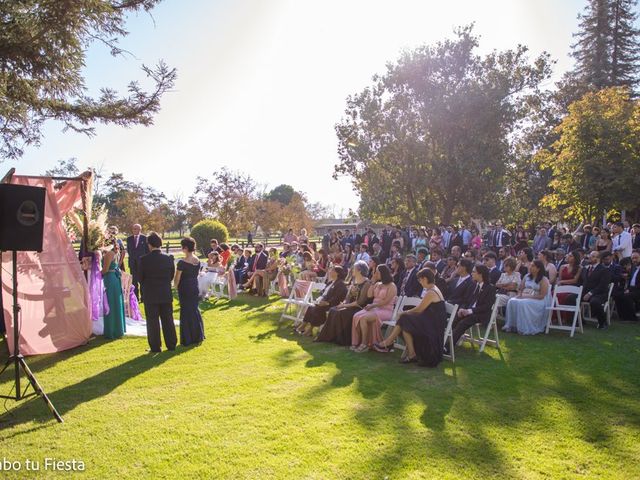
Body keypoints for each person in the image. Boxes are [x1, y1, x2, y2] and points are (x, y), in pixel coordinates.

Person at [373, 269, 448, 366]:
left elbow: (420, 309)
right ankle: (408, 352)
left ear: (425, 279)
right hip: (430, 321)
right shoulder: (433, 288)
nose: (420, 283)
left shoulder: (431, 292)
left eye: (420, 280)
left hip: (433, 325)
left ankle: (389, 342)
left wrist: (405, 312)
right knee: (405, 321)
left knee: (404, 318)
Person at [316, 261, 371, 345]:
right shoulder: (354, 282)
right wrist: (343, 304)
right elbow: (348, 298)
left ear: (359, 271)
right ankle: (331, 337)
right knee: (333, 310)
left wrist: (345, 305)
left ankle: (342, 340)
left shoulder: (366, 283)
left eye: (354, 269)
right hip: (350, 306)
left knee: (342, 313)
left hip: (359, 308)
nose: (352, 270)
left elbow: (360, 302)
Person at [139, 232, 177, 352]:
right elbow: (171, 275)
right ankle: (171, 344)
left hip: (150, 293)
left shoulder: (144, 260)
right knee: (168, 319)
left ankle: (155, 347)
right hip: (165, 292)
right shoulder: (168, 258)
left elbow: (140, 278)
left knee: (152, 321)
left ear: (149, 245)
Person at [448, 264, 497, 350]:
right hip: (470, 311)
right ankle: (443, 342)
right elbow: (466, 300)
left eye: (474, 272)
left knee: (462, 323)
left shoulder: (490, 288)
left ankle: (448, 347)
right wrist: (462, 309)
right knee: (454, 319)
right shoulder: (474, 285)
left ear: (480, 274)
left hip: (481, 314)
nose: (471, 274)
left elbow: (486, 306)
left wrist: (470, 311)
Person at [351, 264, 397, 353]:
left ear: (383, 273)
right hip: (375, 308)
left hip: (385, 310)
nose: (375, 273)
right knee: (356, 315)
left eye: (377, 272)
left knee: (363, 318)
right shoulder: (377, 284)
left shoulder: (392, 286)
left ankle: (364, 344)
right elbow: (369, 295)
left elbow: (386, 301)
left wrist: (372, 306)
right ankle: (357, 342)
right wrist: (373, 282)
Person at [296, 266, 348, 336]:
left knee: (318, 308)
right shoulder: (331, 282)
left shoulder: (341, 284)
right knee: (311, 307)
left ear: (337, 273)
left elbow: (337, 297)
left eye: (332, 270)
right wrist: (319, 299)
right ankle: (303, 325)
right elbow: (323, 293)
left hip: (332, 304)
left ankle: (310, 329)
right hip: (323, 302)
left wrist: (327, 303)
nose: (330, 272)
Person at [503, 260, 551, 335]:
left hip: (538, 300)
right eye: (530, 265)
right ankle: (512, 325)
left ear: (538, 269)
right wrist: (519, 295)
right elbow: (521, 289)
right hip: (525, 296)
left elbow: (542, 295)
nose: (530, 267)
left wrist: (528, 296)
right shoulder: (527, 276)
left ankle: (523, 327)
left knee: (523, 303)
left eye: (532, 266)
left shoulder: (543, 279)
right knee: (512, 301)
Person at [174, 237, 205, 346]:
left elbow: (177, 277)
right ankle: (197, 335)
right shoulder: (197, 260)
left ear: (185, 248)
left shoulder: (182, 262)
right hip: (194, 285)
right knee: (194, 309)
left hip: (185, 287)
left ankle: (188, 337)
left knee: (186, 311)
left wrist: (175, 287)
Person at [578, 250, 612, 329]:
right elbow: (583, 283)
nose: (590, 257)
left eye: (593, 256)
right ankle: (579, 320)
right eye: (590, 255)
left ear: (598, 258)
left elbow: (602, 286)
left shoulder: (604, 270)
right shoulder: (586, 269)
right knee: (571, 298)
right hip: (585, 292)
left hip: (599, 294)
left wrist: (590, 293)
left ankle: (602, 322)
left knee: (595, 302)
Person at [101, 238, 126, 339]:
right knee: (115, 303)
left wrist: (95, 274)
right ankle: (118, 329)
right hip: (115, 279)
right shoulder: (116, 252)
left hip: (109, 279)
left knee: (110, 303)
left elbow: (105, 270)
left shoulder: (109, 254)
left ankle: (111, 330)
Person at [613, 250, 640, 321]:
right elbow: (631, 280)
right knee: (616, 295)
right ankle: (622, 316)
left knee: (626, 296)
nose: (634, 260)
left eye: (636, 258)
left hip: (638, 290)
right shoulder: (633, 268)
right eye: (633, 258)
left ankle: (632, 318)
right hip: (631, 289)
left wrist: (629, 290)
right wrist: (628, 289)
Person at [126, 223, 149, 300]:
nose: (134, 230)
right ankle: (136, 297)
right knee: (134, 281)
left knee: (142, 281)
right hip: (133, 263)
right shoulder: (129, 239)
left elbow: (147, 251)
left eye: (136, 229)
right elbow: (129, 250)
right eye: (133, 229)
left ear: (140, 229)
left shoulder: (145, 238)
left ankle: (143, 297)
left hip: (142, 264)